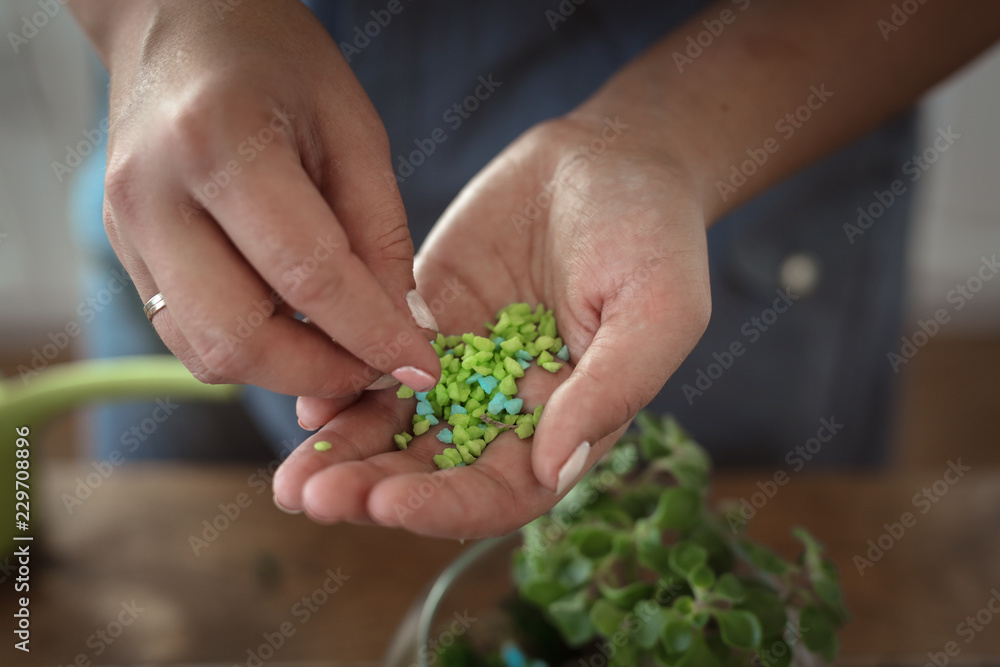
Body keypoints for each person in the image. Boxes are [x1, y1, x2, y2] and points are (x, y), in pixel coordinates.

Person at [67, 0, 1000, 539]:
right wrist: (163, 21)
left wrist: (654, 141)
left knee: (729, 547)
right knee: (181, 566)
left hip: (746, 133)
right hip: (211, 171)